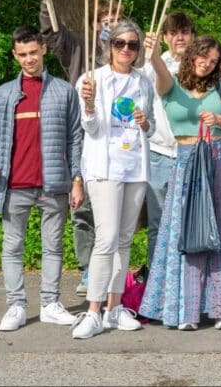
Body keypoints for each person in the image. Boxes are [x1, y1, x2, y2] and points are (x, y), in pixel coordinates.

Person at [139, 34, 221, 331]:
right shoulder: (171, 85)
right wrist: (151, 54)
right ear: (193, 55)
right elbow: (160, 70)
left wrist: (219, 119)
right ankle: (186, 309)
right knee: (186, 230)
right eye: (204, 57)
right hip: (186, 160)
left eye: (214, 61)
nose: (208, 64)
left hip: (219, 157)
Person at [0, 26, 84, 332]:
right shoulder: (3, 94)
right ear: (15, 56)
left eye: (33, 52)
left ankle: (50, 304)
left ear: (43, 49)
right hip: (13, 185)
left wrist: (77, 178)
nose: (29, 59)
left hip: (53, 184)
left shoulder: (64, 91)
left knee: (52, 247)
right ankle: (15, 305)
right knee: (12, 247)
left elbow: (75, 139)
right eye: (22, 54)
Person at [35, 0, 122, 295]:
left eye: (116, 21)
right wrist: (46, 2)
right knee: (83, 206)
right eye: (105, 21)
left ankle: (114, 267)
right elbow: (52, 34)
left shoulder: (129, 52)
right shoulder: (80, 49)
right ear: (96, 25)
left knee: (116, 207)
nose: (110, 27)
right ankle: (88, 269)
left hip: (119, 139)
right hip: (86, 139)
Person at [72, 20, 156, 339]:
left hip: (135, 167)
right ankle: (93, 311)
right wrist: (90, 106)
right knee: (106, 239)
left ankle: (115, 308)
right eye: (120, 43)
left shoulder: (143, 82)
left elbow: (150, 127)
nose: (126, 50)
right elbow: (90, 129)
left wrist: (146, 123)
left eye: (132, 45)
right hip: (104, 169)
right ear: (109, 46)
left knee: (124, 240)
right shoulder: (92, 79)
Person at [142, 11, 194, 268]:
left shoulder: (201, 65)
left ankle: (185, 282)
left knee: (189, 222)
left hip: (190, 152)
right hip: (159, 152)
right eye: (174, 33)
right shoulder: (152, 65)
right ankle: (155, 283)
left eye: (184, 32)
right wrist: (149, 53)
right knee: (158, 223)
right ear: (165, 37)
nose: (180, 38)